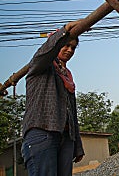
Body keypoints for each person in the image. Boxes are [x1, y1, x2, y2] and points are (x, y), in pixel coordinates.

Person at [21, 21, 85, 176]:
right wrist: (65, 30)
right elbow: (45, 53)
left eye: (73, 47)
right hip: (42, 133)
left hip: (65, 137)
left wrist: (77, 145)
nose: (69, 50)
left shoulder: (67, 75)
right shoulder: (41, 66)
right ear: (56, 44)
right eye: (66, 45)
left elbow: (72, 112)